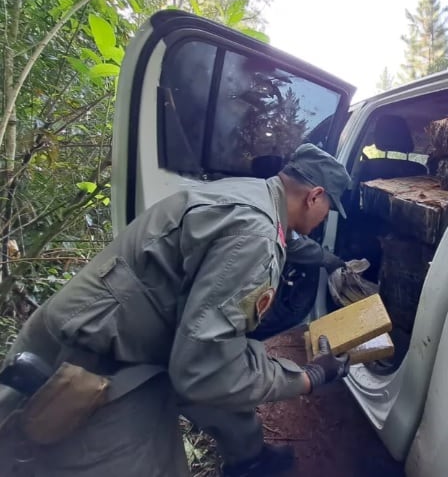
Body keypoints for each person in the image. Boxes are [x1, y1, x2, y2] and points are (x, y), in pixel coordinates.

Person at [0, 144, 352, 477]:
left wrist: (334, 262)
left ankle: (250, 459)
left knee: (234, 366)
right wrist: (309, 377)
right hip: (90, 369)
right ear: (314, 196)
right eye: (328, 209)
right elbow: (204, 372)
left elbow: (287, 241)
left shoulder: (251, 195)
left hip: (98, 331)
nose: (325, 219)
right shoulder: (254, 235)